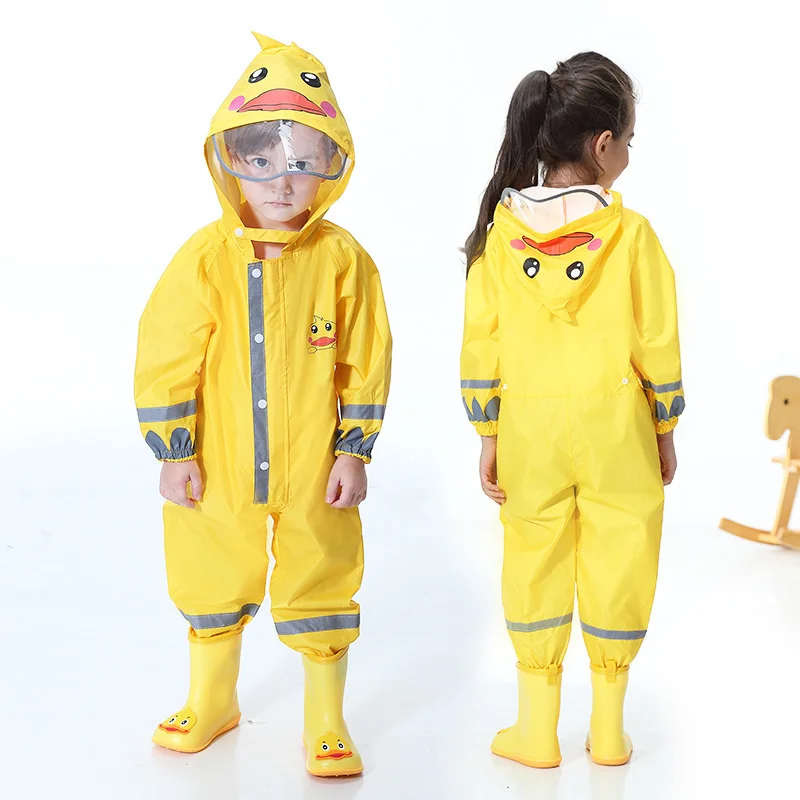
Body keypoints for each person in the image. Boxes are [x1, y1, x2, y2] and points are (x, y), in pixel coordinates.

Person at [134, 32, 391, 778]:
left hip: (315, 466)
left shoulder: (343, 260)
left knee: (323, 568)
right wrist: (175, 452)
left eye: (305, 162)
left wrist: (353, 451)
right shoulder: (205, 259)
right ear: (231, 161)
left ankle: (326, 717)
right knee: (211, 565)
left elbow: (365, 359)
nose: (283, 182)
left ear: (332, 166)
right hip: (219, 462)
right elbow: (167, 356)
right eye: (263, 162)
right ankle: (212, 698)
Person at [460, 52, 683, 768]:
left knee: (534, 555)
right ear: (603, 145)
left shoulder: (499, 236)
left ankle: (536, 730)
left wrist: (488, 434)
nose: (629, 153)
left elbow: (482, 342)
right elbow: (657, 340)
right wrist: (664, 428)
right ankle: (609, 730)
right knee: (622, 550)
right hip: (617, 423)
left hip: (529, 426)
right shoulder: (632, 234)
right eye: (629, 140)